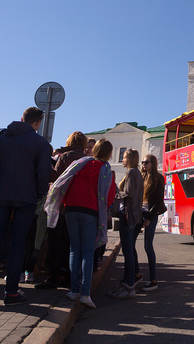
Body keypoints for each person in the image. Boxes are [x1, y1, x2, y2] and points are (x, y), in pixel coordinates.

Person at [0, 107, 52, 306]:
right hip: (26, 199)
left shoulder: (2, 140)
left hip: (1, 197)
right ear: (38, 122)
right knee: (18, 244)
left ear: (22, 119)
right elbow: (43, 174)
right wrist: (39, 193)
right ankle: (11, 293)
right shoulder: (41, 144)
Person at [58, 139, 115, 309]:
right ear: (109, 153)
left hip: (71, 209)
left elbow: (66, 182)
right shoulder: (105, 169)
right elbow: (109, 196)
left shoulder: (80, 164)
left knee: (74, 249)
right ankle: (85, 294)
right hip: (90, 211)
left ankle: (74, 290)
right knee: (88, 252)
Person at [36, 132, 87, 290]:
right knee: (71, 244)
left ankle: (53, 277)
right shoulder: (86, 159)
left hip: (61, 206)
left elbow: (57, 178)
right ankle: (68, 277)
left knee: (55, 243)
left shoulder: (65, 157)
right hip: (78, 205)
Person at [108, 149, 143, 299]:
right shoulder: (137, 173)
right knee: (129, 250)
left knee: (127, 251)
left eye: (124, 157)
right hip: (134, 216)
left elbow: (127, 193)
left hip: (129, 216)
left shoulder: (131, 173)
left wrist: (115, 193)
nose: (122, 160)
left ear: (130, 159)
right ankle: (127, 281)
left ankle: (129, 285)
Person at [132, 154, 166, 292]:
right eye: (142, 162)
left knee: (148, 246)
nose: (144, 164)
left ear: (153, 163)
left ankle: (153, 280)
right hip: (139, 214)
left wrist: (148, 219)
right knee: (130, 244)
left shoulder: (159, 178)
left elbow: (158, 202)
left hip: (150, 215)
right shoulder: (141, 177)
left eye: (146, 162)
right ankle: (137, 274)